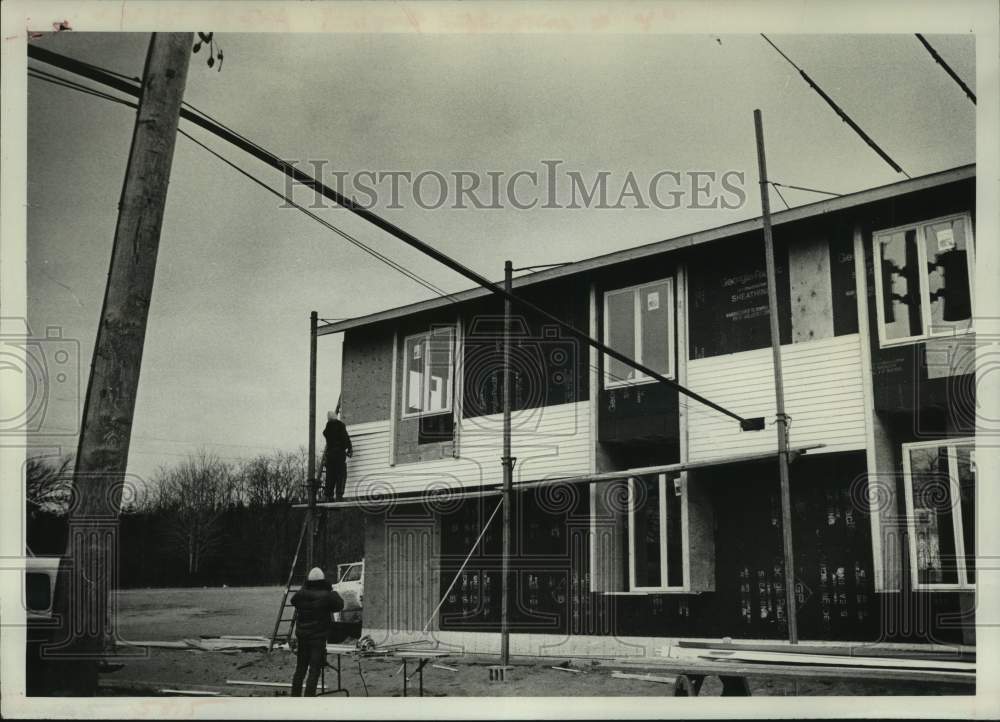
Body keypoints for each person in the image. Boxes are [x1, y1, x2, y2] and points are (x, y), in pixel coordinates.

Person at [290, 567, 344, 696]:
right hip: (318, 638)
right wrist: (332, 590)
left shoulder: (301, 594)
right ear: (322, 580)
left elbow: (293, 600)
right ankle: (309, 699)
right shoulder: (327, 595)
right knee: (314, 670)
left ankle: (294, 698)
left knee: (300, 669)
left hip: (302, 637)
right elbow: (339, 605)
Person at [321, 410, 352, 501]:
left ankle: (328, 495)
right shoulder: (340, 425)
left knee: (330, 475)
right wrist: (348, 448)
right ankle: (339, 495)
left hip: (330, 454)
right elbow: (345, 438)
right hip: (339, 454)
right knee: (341, 474)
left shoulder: (328, 427)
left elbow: (325, 433)